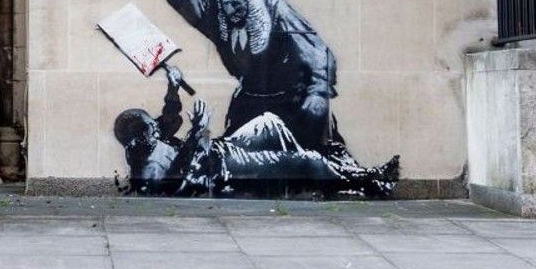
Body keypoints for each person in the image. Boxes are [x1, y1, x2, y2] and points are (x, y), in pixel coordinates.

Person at [161, 0, 341, 152]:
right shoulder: (218, 15)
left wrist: (317, 93)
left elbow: (317, 53)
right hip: (249, 102)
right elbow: (185, 0)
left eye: (236, 4)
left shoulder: (275, 10)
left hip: (291, 104)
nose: (230, 11)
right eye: (225, 4)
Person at [113, 79, 399, 198]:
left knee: (269, 123)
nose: (157, 128)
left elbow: (170, 117)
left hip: (220, 150)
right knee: (306, 161)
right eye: (150, 127)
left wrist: (173, 85)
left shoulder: (151, 139)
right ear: (136, 138)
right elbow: (173, 187)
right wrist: (196, 132)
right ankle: (366, 181)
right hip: (222, 167)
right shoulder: (147, 165)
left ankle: (339, 172)